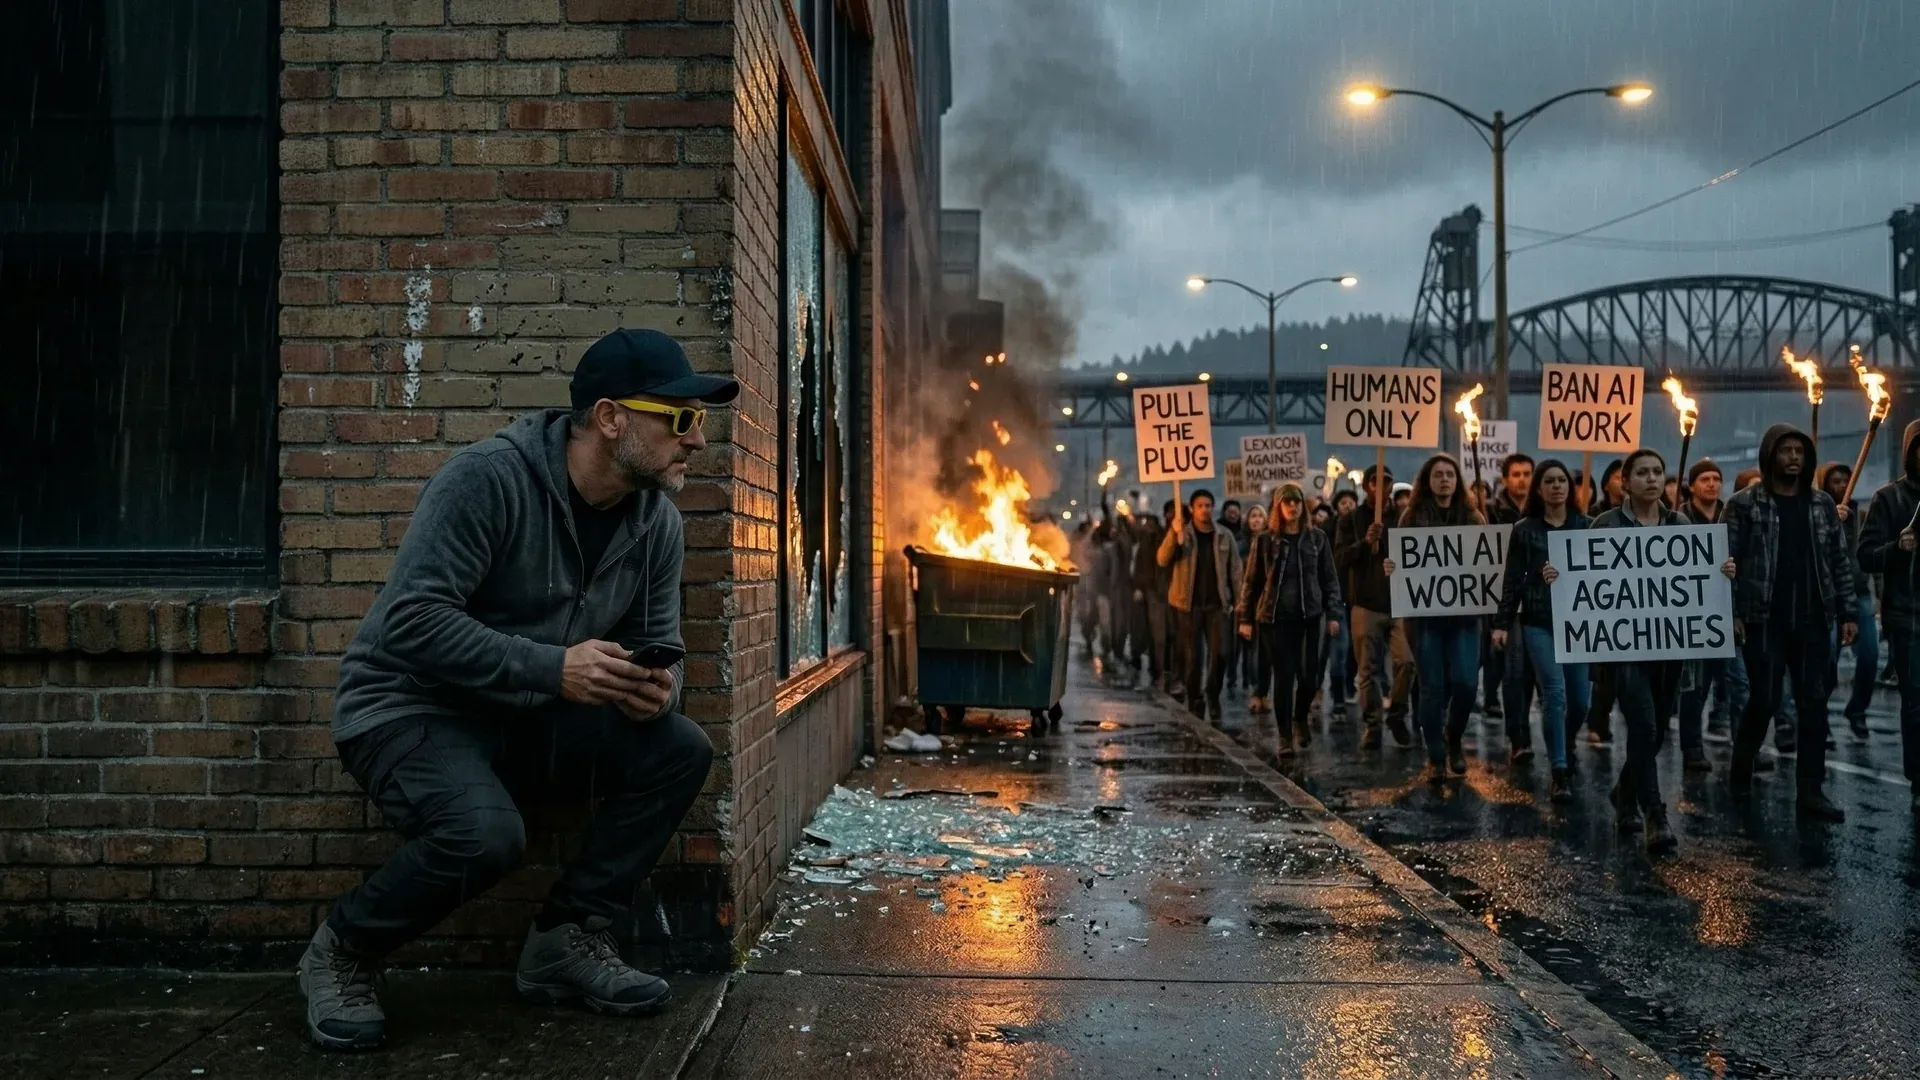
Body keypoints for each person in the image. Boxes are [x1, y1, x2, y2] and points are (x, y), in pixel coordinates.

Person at [303, 328, 727, 1050]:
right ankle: (341, 951)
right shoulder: (487, 480)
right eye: (680, 419)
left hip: (529, 714)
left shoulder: (656, 523)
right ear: (611, 417)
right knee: (486, 835)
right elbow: (412, 622)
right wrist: (554, 668)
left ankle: (565, 940)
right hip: (408, 707)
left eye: (701, 423)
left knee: (679, 748)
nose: (696, 441)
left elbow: (667, 649)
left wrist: (658, 690)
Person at [1586, 449, 1728, 853]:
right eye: (1642, 473)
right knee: (1645, 727)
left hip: (1669, 648)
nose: (1651, 479)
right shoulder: (1605, 525)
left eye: (1657, 472)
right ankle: (1654, 813)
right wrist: (1555, 574)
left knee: (1657, 730)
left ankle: (1624, 794)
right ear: (1625, 481)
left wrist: (1720, 571)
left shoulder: (1679, 523)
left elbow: (1696, 579)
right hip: (1623, 648)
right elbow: (1586, 579)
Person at [1724, 424, 1857, 823]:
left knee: (1813, 704)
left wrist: (1848, 612)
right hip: (1763, 619)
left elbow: (1838, 562)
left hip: (1813, 619)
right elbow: (1725, 563)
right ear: (1770, 456)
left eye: (1800, 450)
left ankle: (1811, 792)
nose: (1794, 457)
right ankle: (1740, 774)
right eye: (1786, 450)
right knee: (1763, 700)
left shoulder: (1820, 506)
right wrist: (1731, 612)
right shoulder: (1744, 505)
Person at [1385, 454, 1486, 782]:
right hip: (1425, 618)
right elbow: (1402, 561)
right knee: (1432, 687)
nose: (1444, 480)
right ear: (1427, 481)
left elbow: (1487, 565)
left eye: (1450, 475)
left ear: (1458, 481)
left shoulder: (1473, 518)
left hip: (1465, 617)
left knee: (1467, 684)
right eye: (1438, 475)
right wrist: (1393, 567)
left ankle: (1453, 737)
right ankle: (1436, 755)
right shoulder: (1410, 518)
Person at [1492, 459, 1588, 800]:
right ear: (1539, 489)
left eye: (1562, 480)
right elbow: (1512, 580)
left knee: (1580, 702)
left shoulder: (1585, 526)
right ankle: (1559, 769)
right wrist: (1502, 624)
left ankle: (1565, 739)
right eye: (1549, 481)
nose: (1557, 486)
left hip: (1578, 624)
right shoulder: (1524, 530)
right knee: (1555, 694)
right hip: (1538, 621)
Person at [1238, 483, 1343, 755]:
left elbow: (1330, 579)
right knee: (1283, 678)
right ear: (1279, 506)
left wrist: (1333, 613)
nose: (1293, 507)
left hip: (1309, 617)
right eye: (1287, 502)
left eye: (1297, 502)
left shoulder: (1317, 539)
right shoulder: (1265, 540)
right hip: (1275, 619)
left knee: (1310, 677)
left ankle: (1300, 718)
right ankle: (1285, 736)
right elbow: (1252, 582)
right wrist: (1245, 618)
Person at [1856, 420, 1920, 811]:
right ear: (1910, 452)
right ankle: (1918, 781)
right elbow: (1866, 557)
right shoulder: (1888, 499)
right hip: (1908, 615)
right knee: (1915, 702)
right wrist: (1898, 548)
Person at [1334, 466, 1415, 749]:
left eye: (1387, 482)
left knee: (1406, 662)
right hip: (1366, 604)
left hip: (1400, 602)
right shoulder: (1351, 520)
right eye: (1375, 481)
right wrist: (1364, 543)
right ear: (1367, 485)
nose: (1380, 487)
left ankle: (1397, 713)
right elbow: (1339, 558)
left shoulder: (1404, 518)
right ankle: (1373, 724)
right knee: (1367, 669)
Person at [1675, 458, 1747, 770]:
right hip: (1691, 614)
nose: (1712, 484)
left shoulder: (1731, 516)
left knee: (1739, 683)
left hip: (1726, 612)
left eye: (1716, 478)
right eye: (1704, 478)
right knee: (1695, 687)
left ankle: (1745, 749)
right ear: (1692, 485)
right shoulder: (1677, 519)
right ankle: (1692, 749)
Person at [1158, 488, 1243, 723]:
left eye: (1208, 505)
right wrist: (1173, 535)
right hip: (1188, 605)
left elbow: (1236, 571)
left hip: (1217, 606)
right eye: (1200, 506)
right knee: (1193, 657)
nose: (1205, 510)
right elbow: (1163, 559)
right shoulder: (1183, 534)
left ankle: (1213, 694)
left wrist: (1239, 602)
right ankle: (1195, 698)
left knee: (1221, 654)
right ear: (1192, 510)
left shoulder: (1224, 536)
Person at [1818, 461, 1878, 739]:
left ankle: (1857, 709)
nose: (1841, 486)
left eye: (1846, 480)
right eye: (1835, 481)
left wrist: (1880, 594)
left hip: (1860, 594)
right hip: (1829, 598)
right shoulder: (1817, 512)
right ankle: (1820, 718)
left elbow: (1870, 553)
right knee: (1827, 662)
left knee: (1869, 657)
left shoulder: (1862, 515)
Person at [1483, 454, 1535, 734]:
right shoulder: (1489, 511)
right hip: (1504, 597)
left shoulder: (1541, 511)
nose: (1522, 479)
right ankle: (1518, 732)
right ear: (1505, 479)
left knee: (1529, 671)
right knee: (1512, 665)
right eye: (1516, 474)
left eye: (1527, 473)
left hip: (1537, 600)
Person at [1128, 501, 1170, 692]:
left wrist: (1140, 586)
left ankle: (1160, 672)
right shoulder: (1141, 539)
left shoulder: (1152, 538)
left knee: (1159, 635)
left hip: (1156, 592)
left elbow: (1146, 566)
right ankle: (1157, 671)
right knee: (1151, 634)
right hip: (1150, 592)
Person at [1238, 503, 1270, 712]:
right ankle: (1255, 689)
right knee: (1251, 651)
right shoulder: (1240, 546)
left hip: (1267, 603)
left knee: (1265, 652)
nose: (1257, 520)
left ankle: (1263, 692)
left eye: (1260, 516)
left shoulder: (1271, 542)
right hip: (1247, 603)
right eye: (1253, 516)